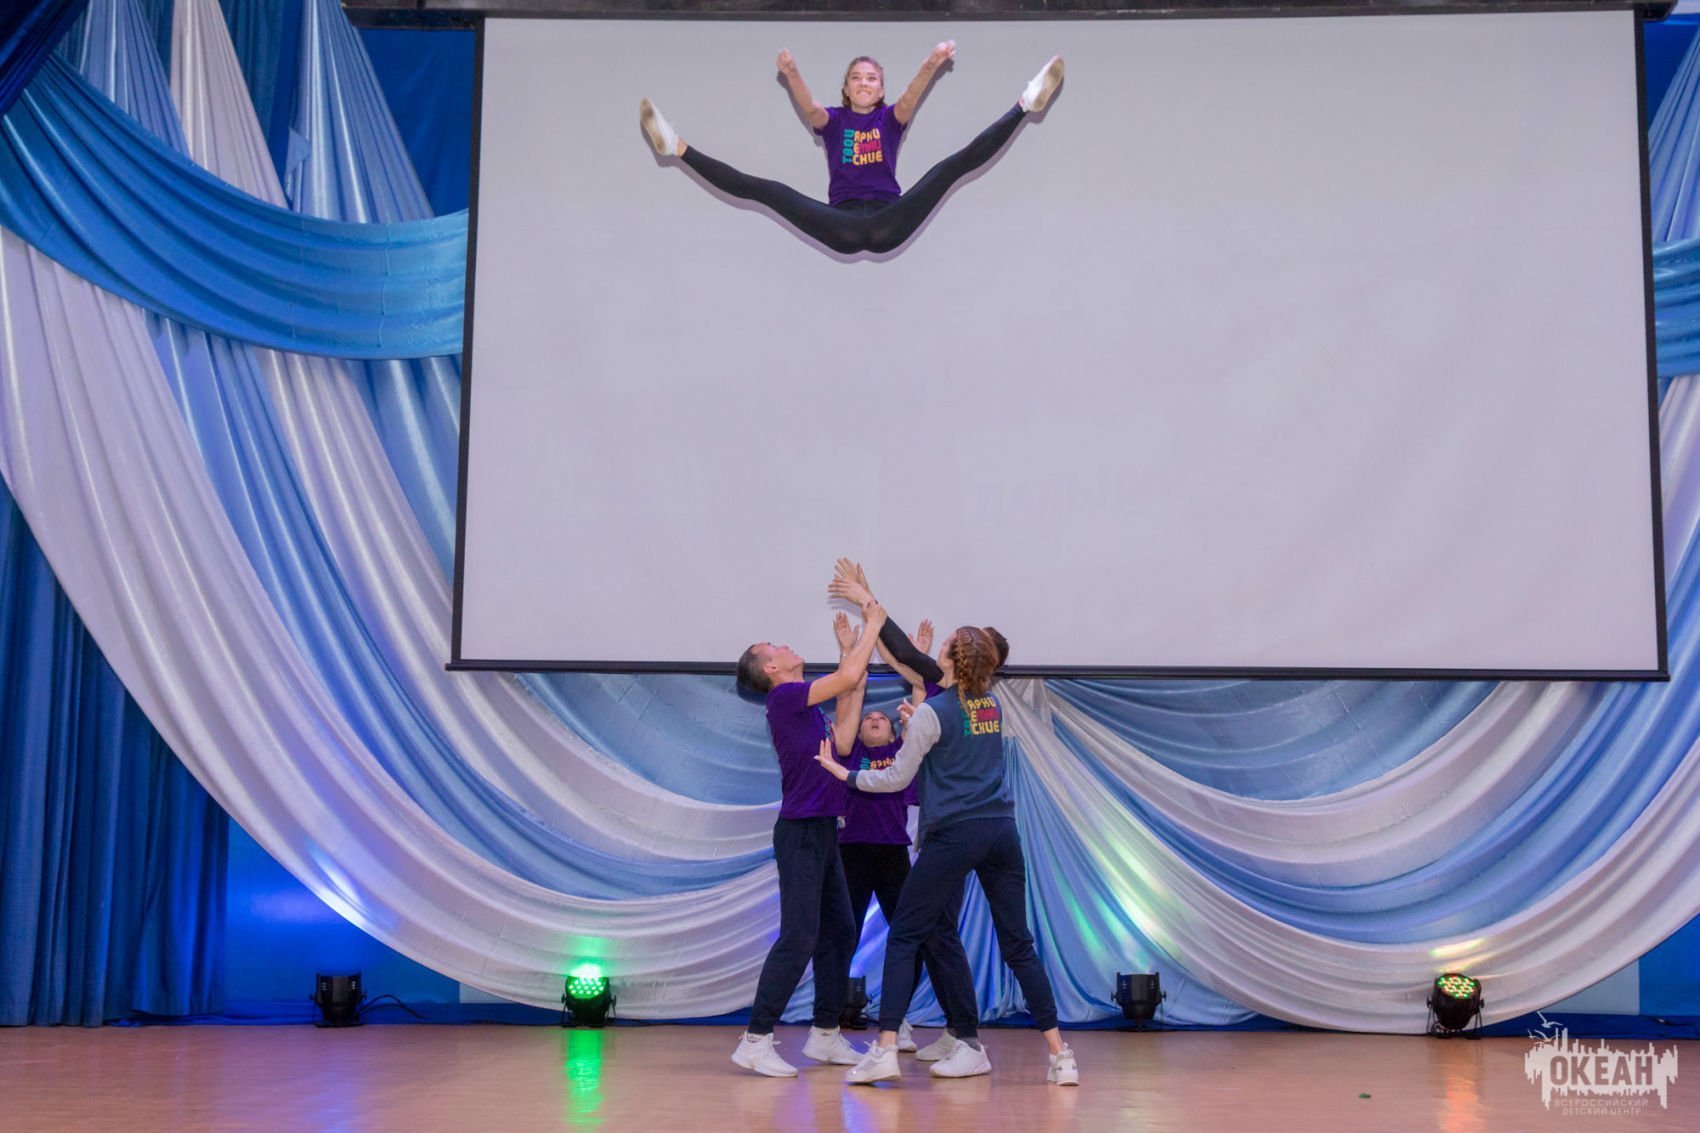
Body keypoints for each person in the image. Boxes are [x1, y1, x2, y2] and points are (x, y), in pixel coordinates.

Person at [815, 626, 1079, 1087]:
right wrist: (921, 724)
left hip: (955, 835)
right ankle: (1060, 1056)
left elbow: (895, 779)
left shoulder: (933, 713)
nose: (936, 648)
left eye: (943, 644)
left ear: (951, 661)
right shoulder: (991, 706)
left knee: (904, 936)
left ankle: (884, 1050)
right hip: (1002, 831)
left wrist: (846, 774)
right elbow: (959, 746)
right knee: (1018, 946)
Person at [638, 44, 1064, 254]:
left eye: (872, 78)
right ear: (846, 87)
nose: (864, 83)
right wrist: (792, 74)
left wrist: (931, 65)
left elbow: (910, 99)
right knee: (768, 191)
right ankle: (677, 146)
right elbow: (809, 109)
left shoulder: (889, 119)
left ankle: (1025, 104)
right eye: (857, 78)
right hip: (839, 223)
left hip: (890, 218)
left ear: (880, 90)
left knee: (949, 169)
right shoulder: (835, 120)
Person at [730, 601, 886, 1078]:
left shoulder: (807, 708)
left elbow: (844, 739)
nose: (785, 645)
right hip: (799, 833)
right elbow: (847, 679)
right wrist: (872, 626)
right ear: (770, 668)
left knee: (840, 932)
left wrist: (849, 656)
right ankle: (755, 1040)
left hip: (822, 829)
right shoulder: (785, 698)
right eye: (774, 646)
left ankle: (825, 1033)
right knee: (799, 936)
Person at [832, 626, 981, 1059]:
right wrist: (848, 652)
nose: (874, 719)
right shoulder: (850, 756)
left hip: (894, 855)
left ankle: (897, 1020)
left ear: (895, 729)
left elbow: (924, 708)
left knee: (915, 935)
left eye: (882, 718)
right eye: (868, 719)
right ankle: (829, 1021)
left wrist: (919, 658)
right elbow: (851, 696)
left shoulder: (904, 754)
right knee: (842, 935)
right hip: (850, 854)